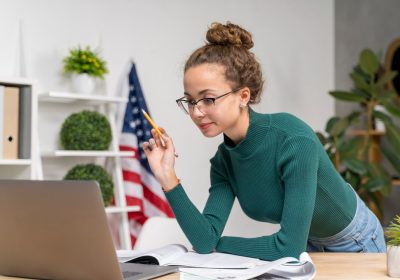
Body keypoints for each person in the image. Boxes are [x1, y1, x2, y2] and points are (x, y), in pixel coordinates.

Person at [142, 22, 386, 261]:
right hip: (310, 242)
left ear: (243, 96)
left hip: (355, 241)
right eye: (191, 101)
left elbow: (288, 247)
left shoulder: (293, 139)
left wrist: (221, 244)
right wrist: (167, 177)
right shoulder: (223, 161)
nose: (196, 112)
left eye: (208, 99)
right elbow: (205, 241)